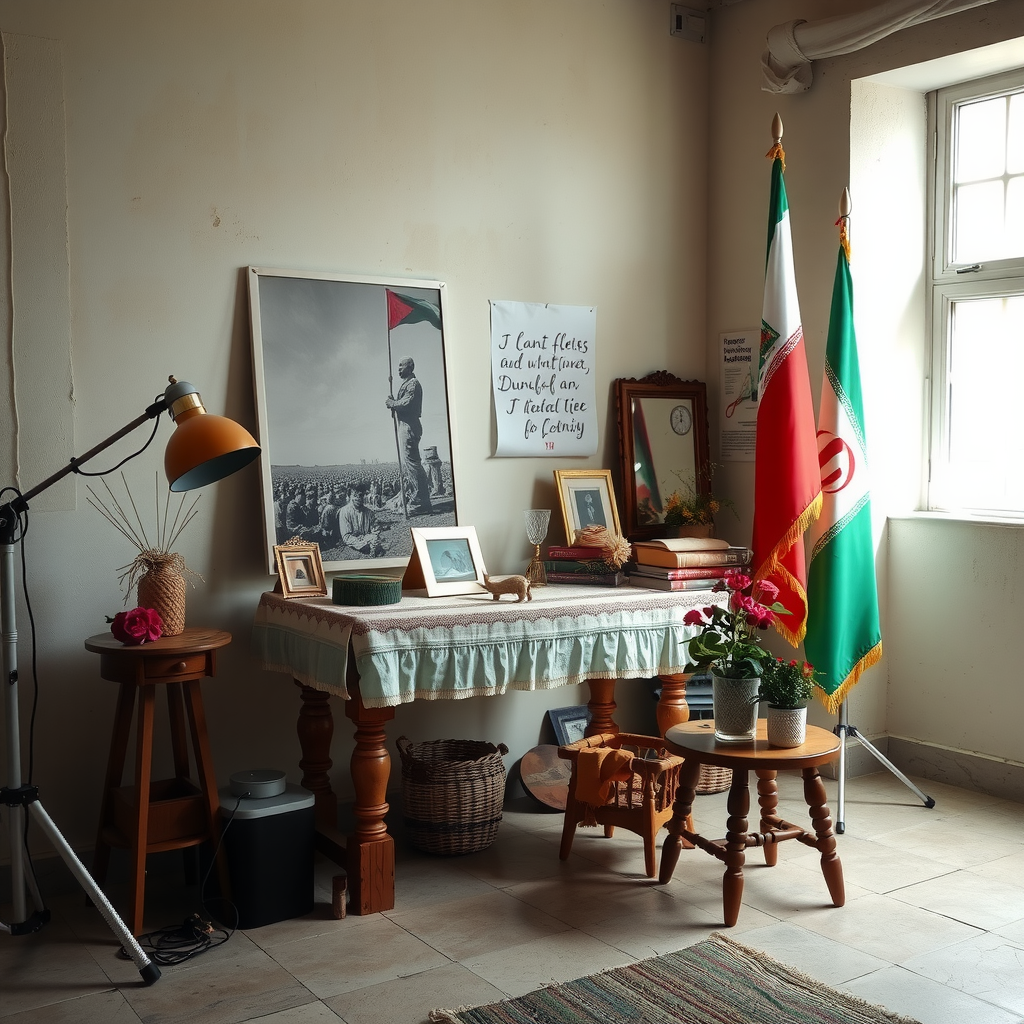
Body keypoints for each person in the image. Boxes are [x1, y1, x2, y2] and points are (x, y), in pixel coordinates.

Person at [385, 357, 433, 516]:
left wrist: (393, 404)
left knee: (412, 464)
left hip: (409, 426)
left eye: (401, 366)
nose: (398, 369)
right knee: (413, 464)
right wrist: (393, 401)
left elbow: (407, 403)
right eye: (398, 366)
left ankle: (419, 500)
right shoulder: (407, 383)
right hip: (406, 425)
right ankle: (423, 499)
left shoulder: (413, 384)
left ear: (410, 367)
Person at [338, 481, 384, 556]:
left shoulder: (369, 512)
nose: (358, 498)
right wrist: (363, 543)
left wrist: (373, 538)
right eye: (355, 495)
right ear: (350, 496)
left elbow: (375, 531)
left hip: (367, 539)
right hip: (355, 542)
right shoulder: (344, 511)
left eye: (361, 495)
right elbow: (346, 536)